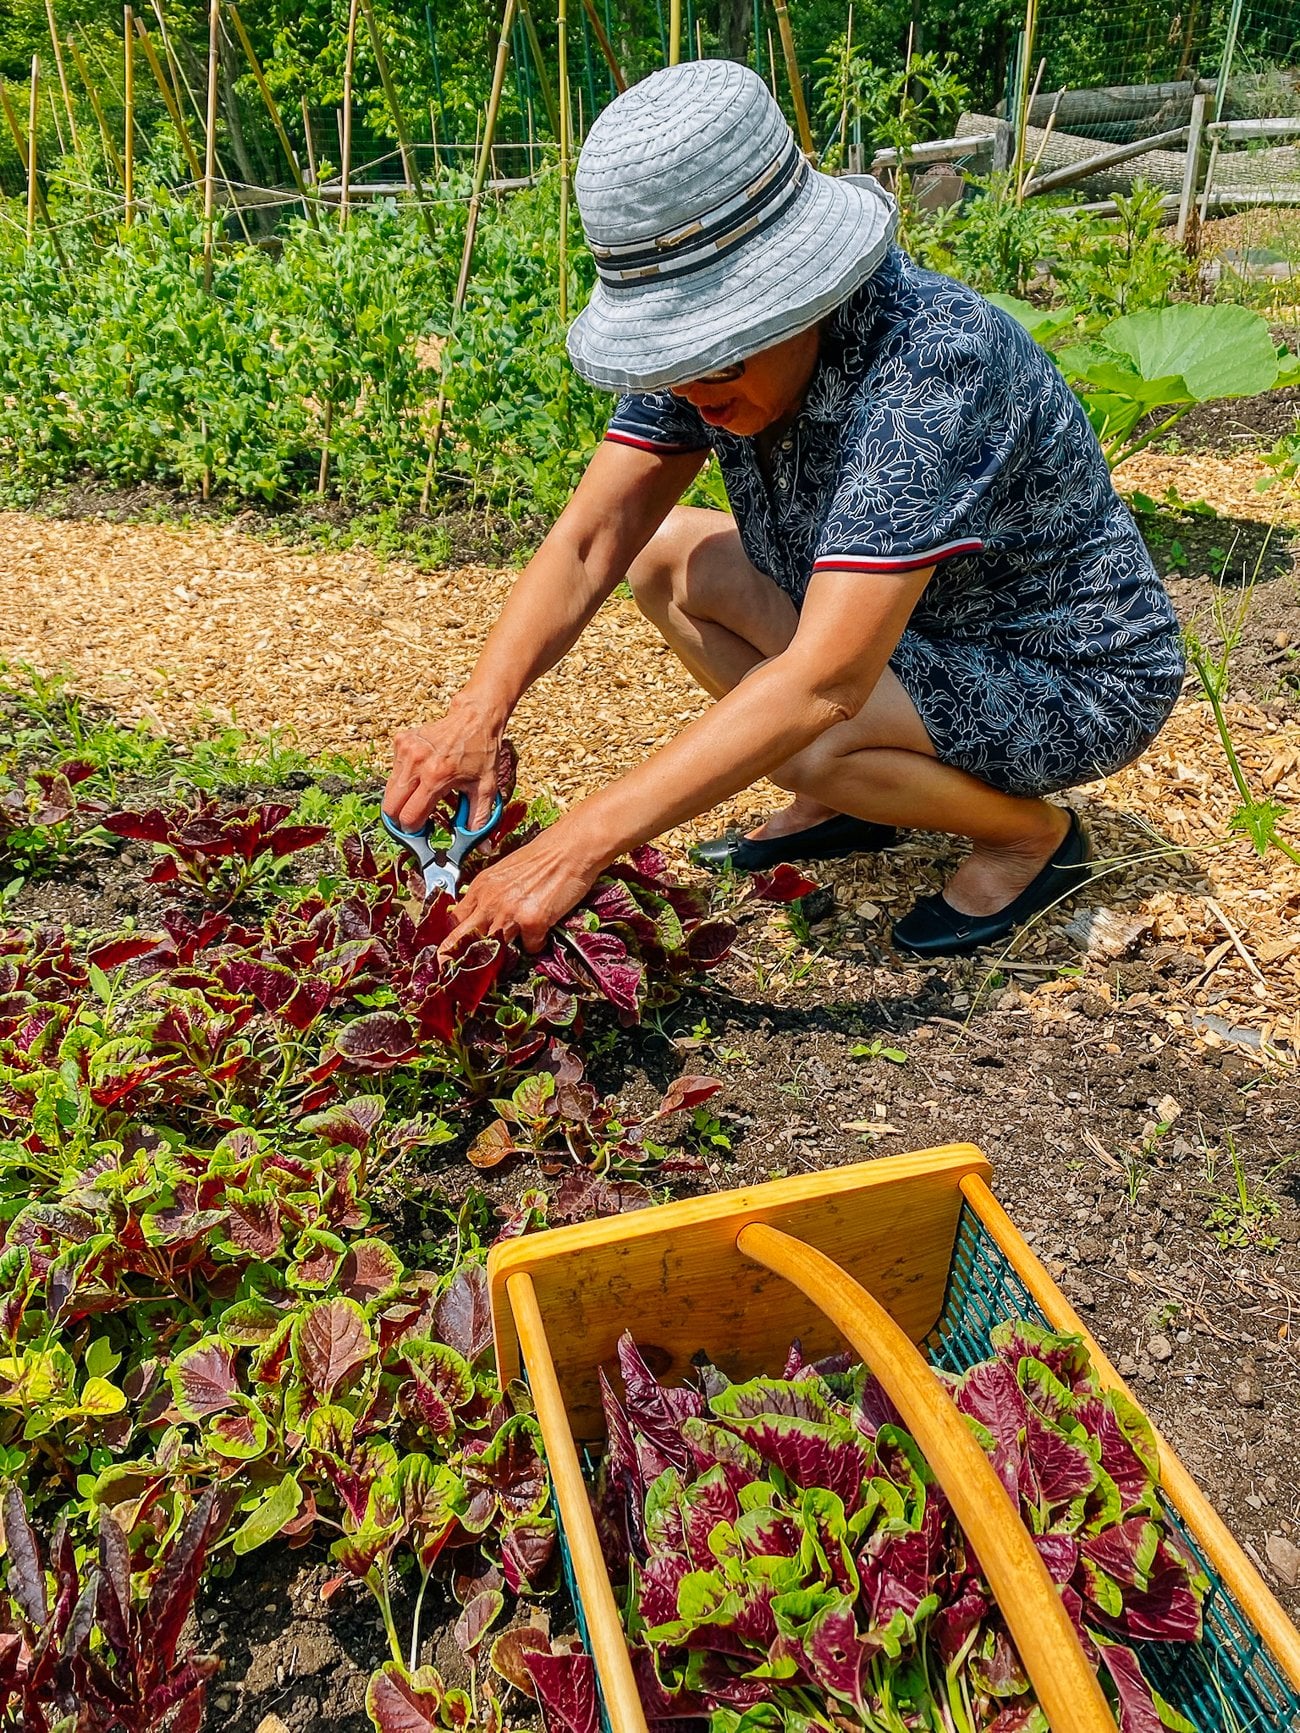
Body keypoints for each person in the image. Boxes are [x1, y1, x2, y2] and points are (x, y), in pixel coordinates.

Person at [382, 59, 1183, 959]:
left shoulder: (930, 365)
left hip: (1063, 671)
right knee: (669, 558)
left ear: (802, 294)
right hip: (910, 631)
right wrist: (478, 713)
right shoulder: (707, 368)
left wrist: (573, 849)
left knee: (805, 736)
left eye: (718, 360)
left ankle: (1029, 839)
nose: (694, 393)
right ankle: (854, 795)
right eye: (671, 362)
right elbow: (593, 538)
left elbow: (825, 683)